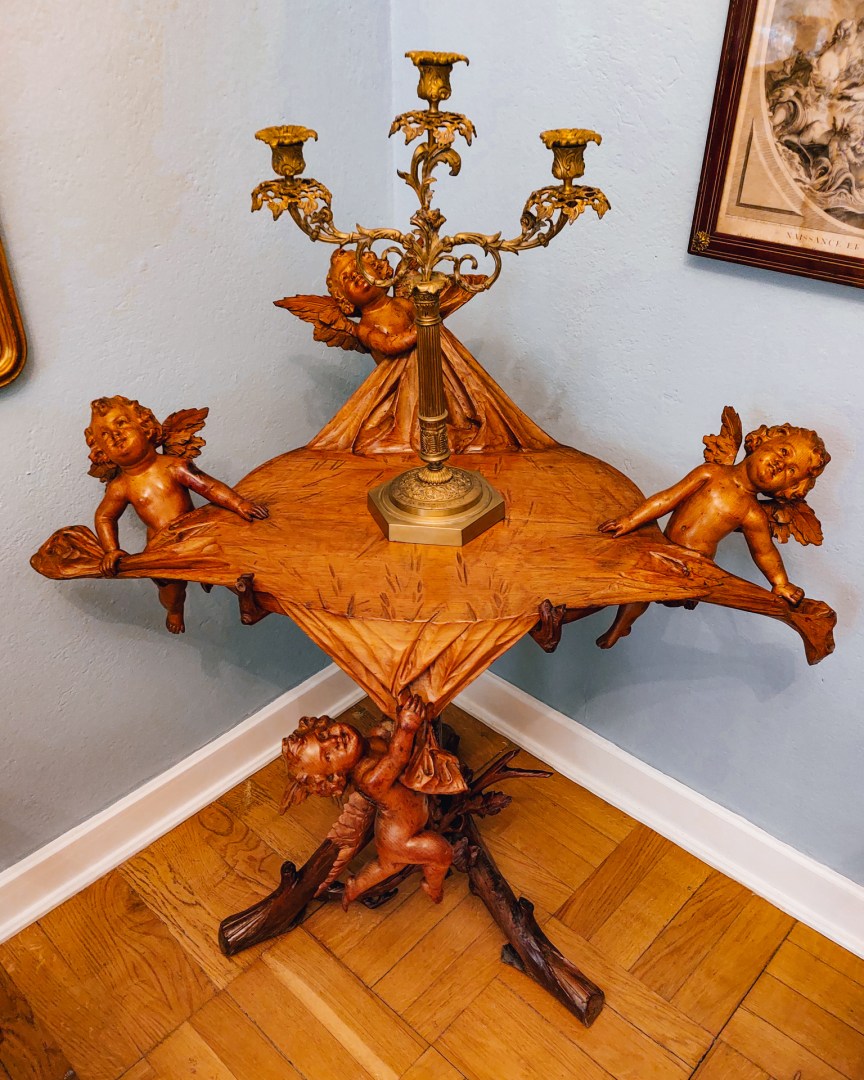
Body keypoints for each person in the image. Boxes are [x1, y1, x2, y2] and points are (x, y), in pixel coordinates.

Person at [596, 422, 830, 649]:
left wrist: (781, 583)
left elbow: (764, 552)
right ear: (761, 441)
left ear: (786, 489)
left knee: (645, 583)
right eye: (784, 451)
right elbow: (667, 499)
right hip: (664, 546)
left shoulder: (752, 513)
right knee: (637, 583)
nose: (781, 464)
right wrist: (629, 521)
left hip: (694, 564)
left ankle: (624, 624)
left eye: (791, 471)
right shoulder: (710, 472)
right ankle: (622, 624)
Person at [86, 395, 268, 633]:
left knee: (225, 567)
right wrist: (111, 550)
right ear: (101, 451)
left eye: (121, 424)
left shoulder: (173, 465)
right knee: (170, 591)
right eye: (106, 436)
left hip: (195, 534)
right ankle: (174, 609)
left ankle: (251, 600)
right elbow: (104, 517)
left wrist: (239, 503)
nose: (116, 435)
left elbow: (209, 487)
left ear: (145, 425)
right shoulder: (120, 486)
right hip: (161, 549)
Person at [281, 694, 455, 906]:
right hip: (401, 837)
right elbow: (396, 758)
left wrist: (396, 717)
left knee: (386, 866)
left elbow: (389, 735)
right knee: (441, 852)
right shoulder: (370, 780)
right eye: (328, 756)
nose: (334, 741)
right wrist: (407, 726)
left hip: (394, 831)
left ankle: (355, 885)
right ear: (334, 777)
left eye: (324, 734)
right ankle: (434, 886)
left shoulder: (371, 740)